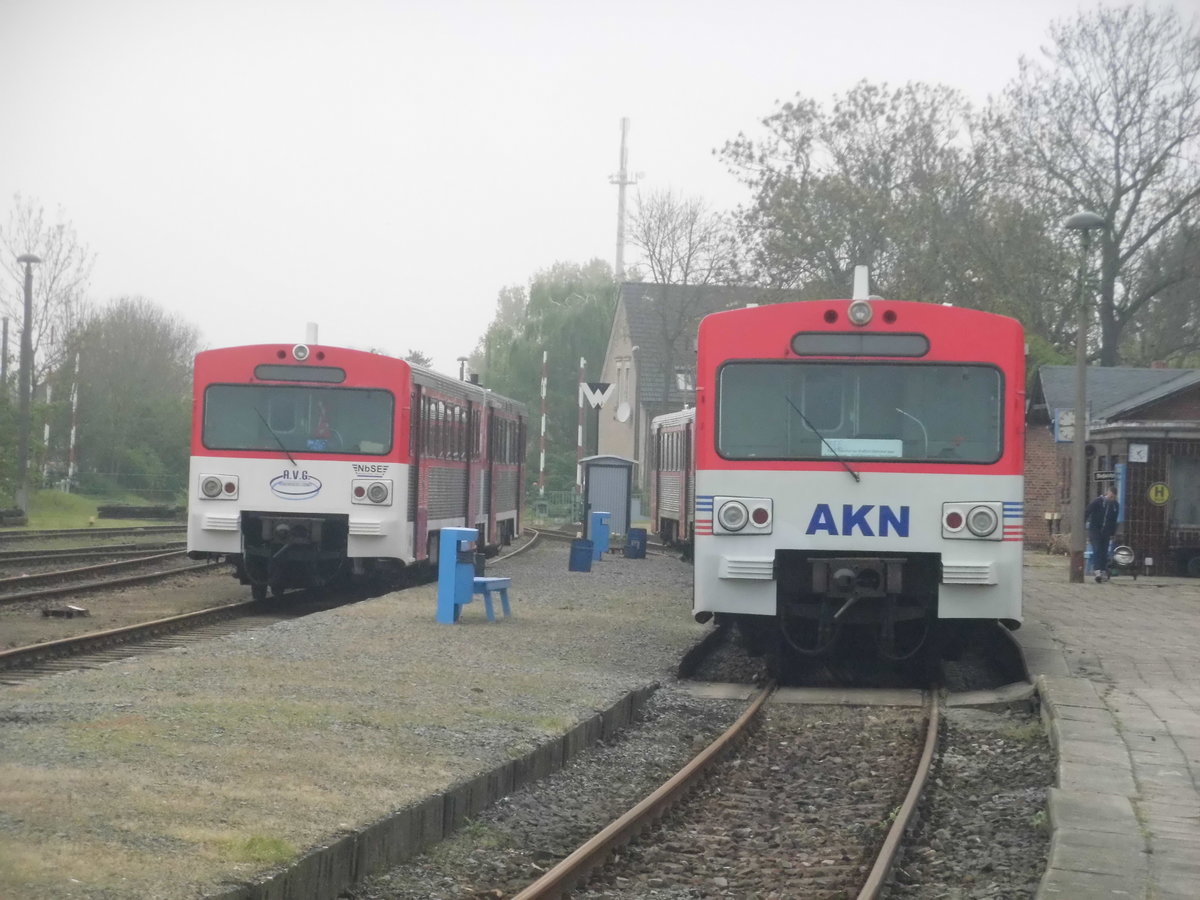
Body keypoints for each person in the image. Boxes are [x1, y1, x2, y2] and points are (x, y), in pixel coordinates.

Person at [1085, 487, 1120, 582]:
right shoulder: (1098, 501)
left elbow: (1114, 520)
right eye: (1110, 496)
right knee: (1097, 549)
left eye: (1113, 497)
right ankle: (1097, 571)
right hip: (1095, 529)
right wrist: (1084, 524)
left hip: (1106, 532)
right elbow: (1088, 511)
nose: (1111, 499)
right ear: (1107, 493)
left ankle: (1103, 570)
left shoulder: (1115, 505)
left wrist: (1112, 533)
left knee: (1104, 551)